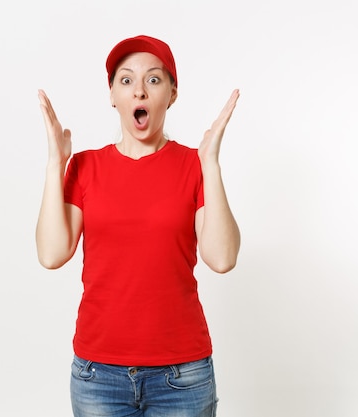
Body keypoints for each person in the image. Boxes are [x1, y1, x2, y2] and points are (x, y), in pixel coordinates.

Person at [35, 35, 241, 417]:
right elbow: (51, 254)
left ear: (171, 94)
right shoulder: (84, 167)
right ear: (113, 96)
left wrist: (210, 162)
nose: (140, 91)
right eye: (126, 80)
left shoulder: (194, 166)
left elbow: (222, 257)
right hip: (98, 376)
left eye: (154, 80)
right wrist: (54, 164)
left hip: (182, 376)